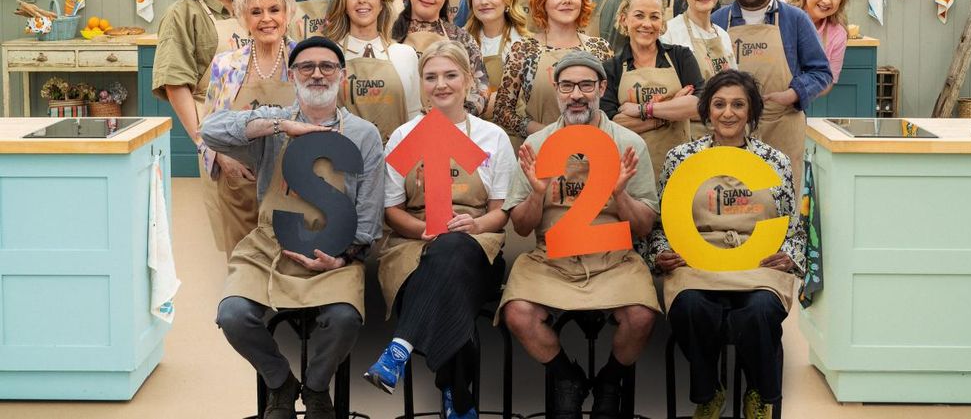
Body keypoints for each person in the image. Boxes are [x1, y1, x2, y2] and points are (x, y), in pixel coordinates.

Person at [202, 36, 385, 419]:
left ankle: (317, 387)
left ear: (342, 75)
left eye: (327, 67)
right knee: (232, 314)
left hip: (334, 251)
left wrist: (345, 256)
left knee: (344, 319)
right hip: (271, 246)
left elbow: (368, 212)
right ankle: (279, 381)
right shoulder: (272, 123)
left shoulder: (364, 134)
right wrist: (281, 125)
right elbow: (211, 131)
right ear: (292, 74)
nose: (317, 74)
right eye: (306, 67)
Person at [500, 51, 660, 419]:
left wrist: (619, 192)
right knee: (518, 313)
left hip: (615, 259)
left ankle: (609, 381)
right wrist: (538, 193)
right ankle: (566, 377)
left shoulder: (629, 145)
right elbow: (522, 226)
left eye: (586, 85)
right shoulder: (536, 146)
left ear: (602, 88)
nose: (577, 94)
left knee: (641, 316)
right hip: (551, 260)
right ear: (556, 90)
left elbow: (644, 227)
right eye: (567, 85)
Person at [639, 69, 805, 419]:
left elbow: (794, 227)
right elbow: (659, 226)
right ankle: (709, 392)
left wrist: (788, 256)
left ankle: (760, 392)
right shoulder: (681, 158)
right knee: (689, 306)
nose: (728, 113)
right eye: (719, 104)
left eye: (738, 104)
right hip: (698, 261)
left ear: (751, 112)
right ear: (707, 110)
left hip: (757, 263)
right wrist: (661, 254)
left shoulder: (773, 161)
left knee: (761, 310)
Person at [365, 41, 516, 419]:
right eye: (431, 77)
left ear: (468, 80)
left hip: (477, 245)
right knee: (451, 284)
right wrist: (421, 231)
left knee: (455, 250)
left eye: (450, 75)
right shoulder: (404, 136)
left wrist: (475, 223)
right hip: (413, 250)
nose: (441, 84)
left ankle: (398, 348)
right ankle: (457, 397)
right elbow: (391, 210)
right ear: (421, 84)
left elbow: (501, 213)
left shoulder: (491, 137)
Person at [152, 0, 259, 251]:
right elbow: (175, 84)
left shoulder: (251, 8)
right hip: (219, 130)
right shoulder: (185, 13)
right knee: (237, 234)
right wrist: (208, 146)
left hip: (260, 127)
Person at [711, 0, 831, 193]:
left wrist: (794, 93)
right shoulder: (717, 20)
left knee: (780, 207)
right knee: (735, 206)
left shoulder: (795, 19)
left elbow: (821, 72)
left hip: (781, 127)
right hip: (730, 130)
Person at [202, 0, 299, 256]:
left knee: (290, 262)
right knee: (244, 264)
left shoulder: (305, 61)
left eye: (274, 10)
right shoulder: (226, 64)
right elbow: (207, 125)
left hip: (291, 182)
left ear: (287, 14)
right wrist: (222, 157)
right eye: (256, 12)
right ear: (243, 18)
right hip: (240, 183)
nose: (266, 19)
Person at [493, 0, 612, 142]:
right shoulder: (524, 49)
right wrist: (547, 132)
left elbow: (610, 105)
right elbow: (502, 111)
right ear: (543, 2)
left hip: (594, 147)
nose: (567, 0)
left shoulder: (599, 48)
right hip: (541, 148)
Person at [600, 0, 704, 176]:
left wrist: (641, 110)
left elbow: (698, 105)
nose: (647, 24)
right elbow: (611, 125)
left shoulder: (681, 56)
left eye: (654, 17)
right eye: (639, 15)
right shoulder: (611, 68)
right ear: (624, 19)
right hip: (629, 172)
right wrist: (671, 109)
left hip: (680, 168)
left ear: (663, 23)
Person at [322, 0, 421, 144]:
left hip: (395, 161)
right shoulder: (330, 56)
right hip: (345, 159)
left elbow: (414, 117)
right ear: (344, 5)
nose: (362, 0)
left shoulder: (405, 54)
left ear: (381, 2)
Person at [392, 0, 490, 116]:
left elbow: (482, 89)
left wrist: (454, 117)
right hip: (399, 129)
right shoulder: (388, 35)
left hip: (449, 130)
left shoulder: (461, 38)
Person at [662, 0, 736, 138]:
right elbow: (670, 97)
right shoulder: (669, 33)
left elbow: (735, 87)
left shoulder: (723, 35)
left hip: (723, 132)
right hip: (686, 134)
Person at [464, 0, 531, 128]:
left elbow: (516, 102)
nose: (484, 1)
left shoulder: (524, 43)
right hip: (467, 134)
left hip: (510, 135)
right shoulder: (460, 41)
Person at [788, 0, 850, 87]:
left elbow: (827, 83)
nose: (827, 1)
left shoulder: (837, 33)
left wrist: (795, 95)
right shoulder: (781, 14)